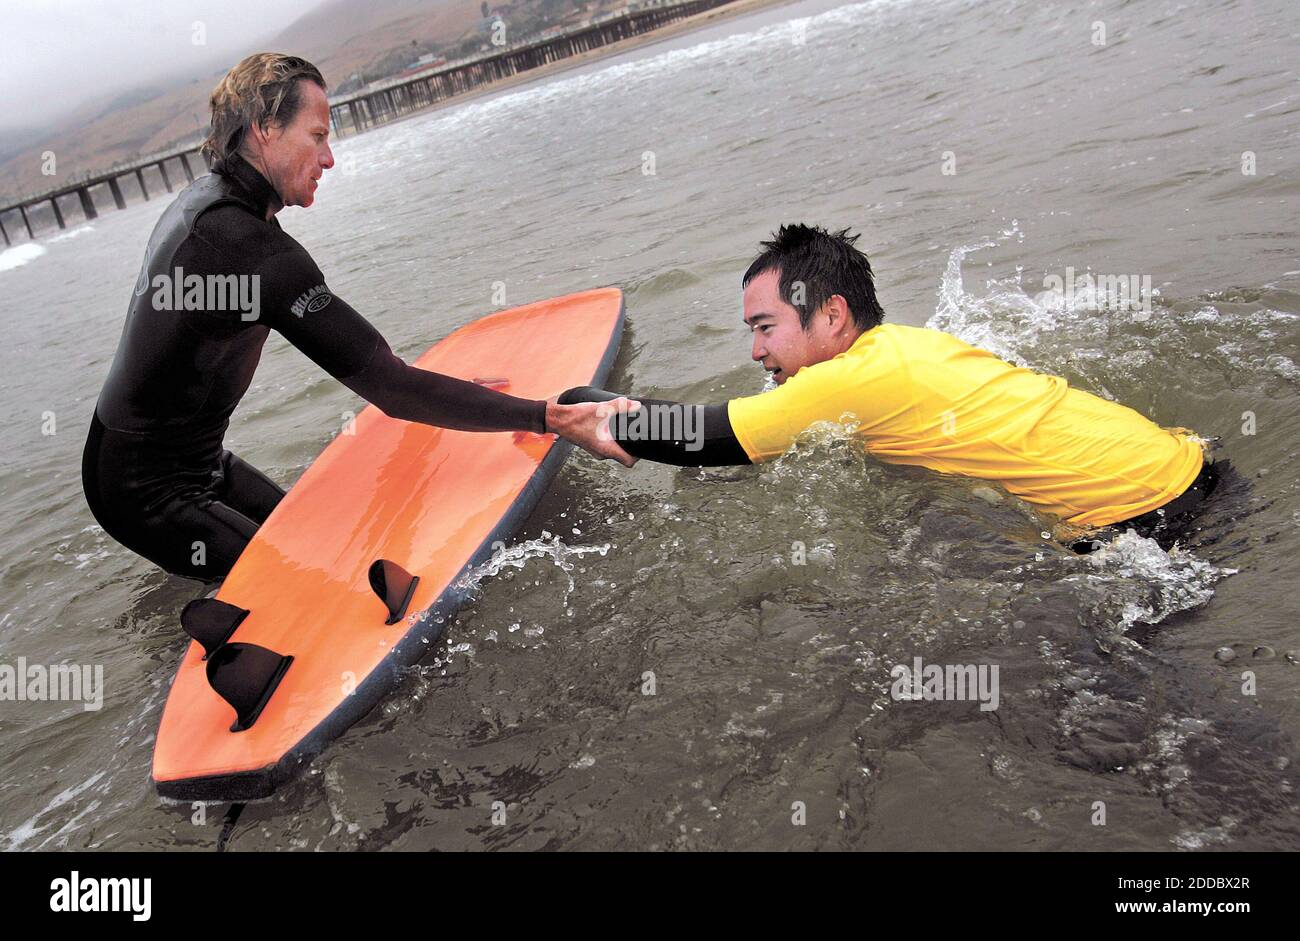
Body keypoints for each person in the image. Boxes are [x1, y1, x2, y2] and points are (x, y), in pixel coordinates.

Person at [82, 53, 635, 582]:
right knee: (294, 592)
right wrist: (552, 417)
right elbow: (391, 388)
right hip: (143, 490)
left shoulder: (203, 206)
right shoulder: (246, 247)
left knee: (300, 550)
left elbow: (380, 370)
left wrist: (445, 391)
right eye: (318, 137)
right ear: (264, 129)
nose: (328, 159)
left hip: (193, 461)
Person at [562, 223, 1225, 549]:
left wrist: (578, 409)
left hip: (1143, 519)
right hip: (1187, 464)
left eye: (765, 327)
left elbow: (701, 439)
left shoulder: (845, 380)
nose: (757, 350)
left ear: (832, 315)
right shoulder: (906, 347)